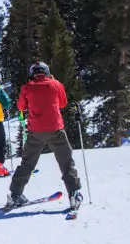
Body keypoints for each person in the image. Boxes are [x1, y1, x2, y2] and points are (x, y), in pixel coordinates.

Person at [7, 61, 83, 210]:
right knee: (66, 162)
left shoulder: (27, 87)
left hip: (35, 131)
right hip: (56, 129)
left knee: (27, 163)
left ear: (32, 74)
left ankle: (15, 194)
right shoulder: (56, 84)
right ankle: (74, 193)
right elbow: (63, 103)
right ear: (47, 72)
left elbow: (21, 107)